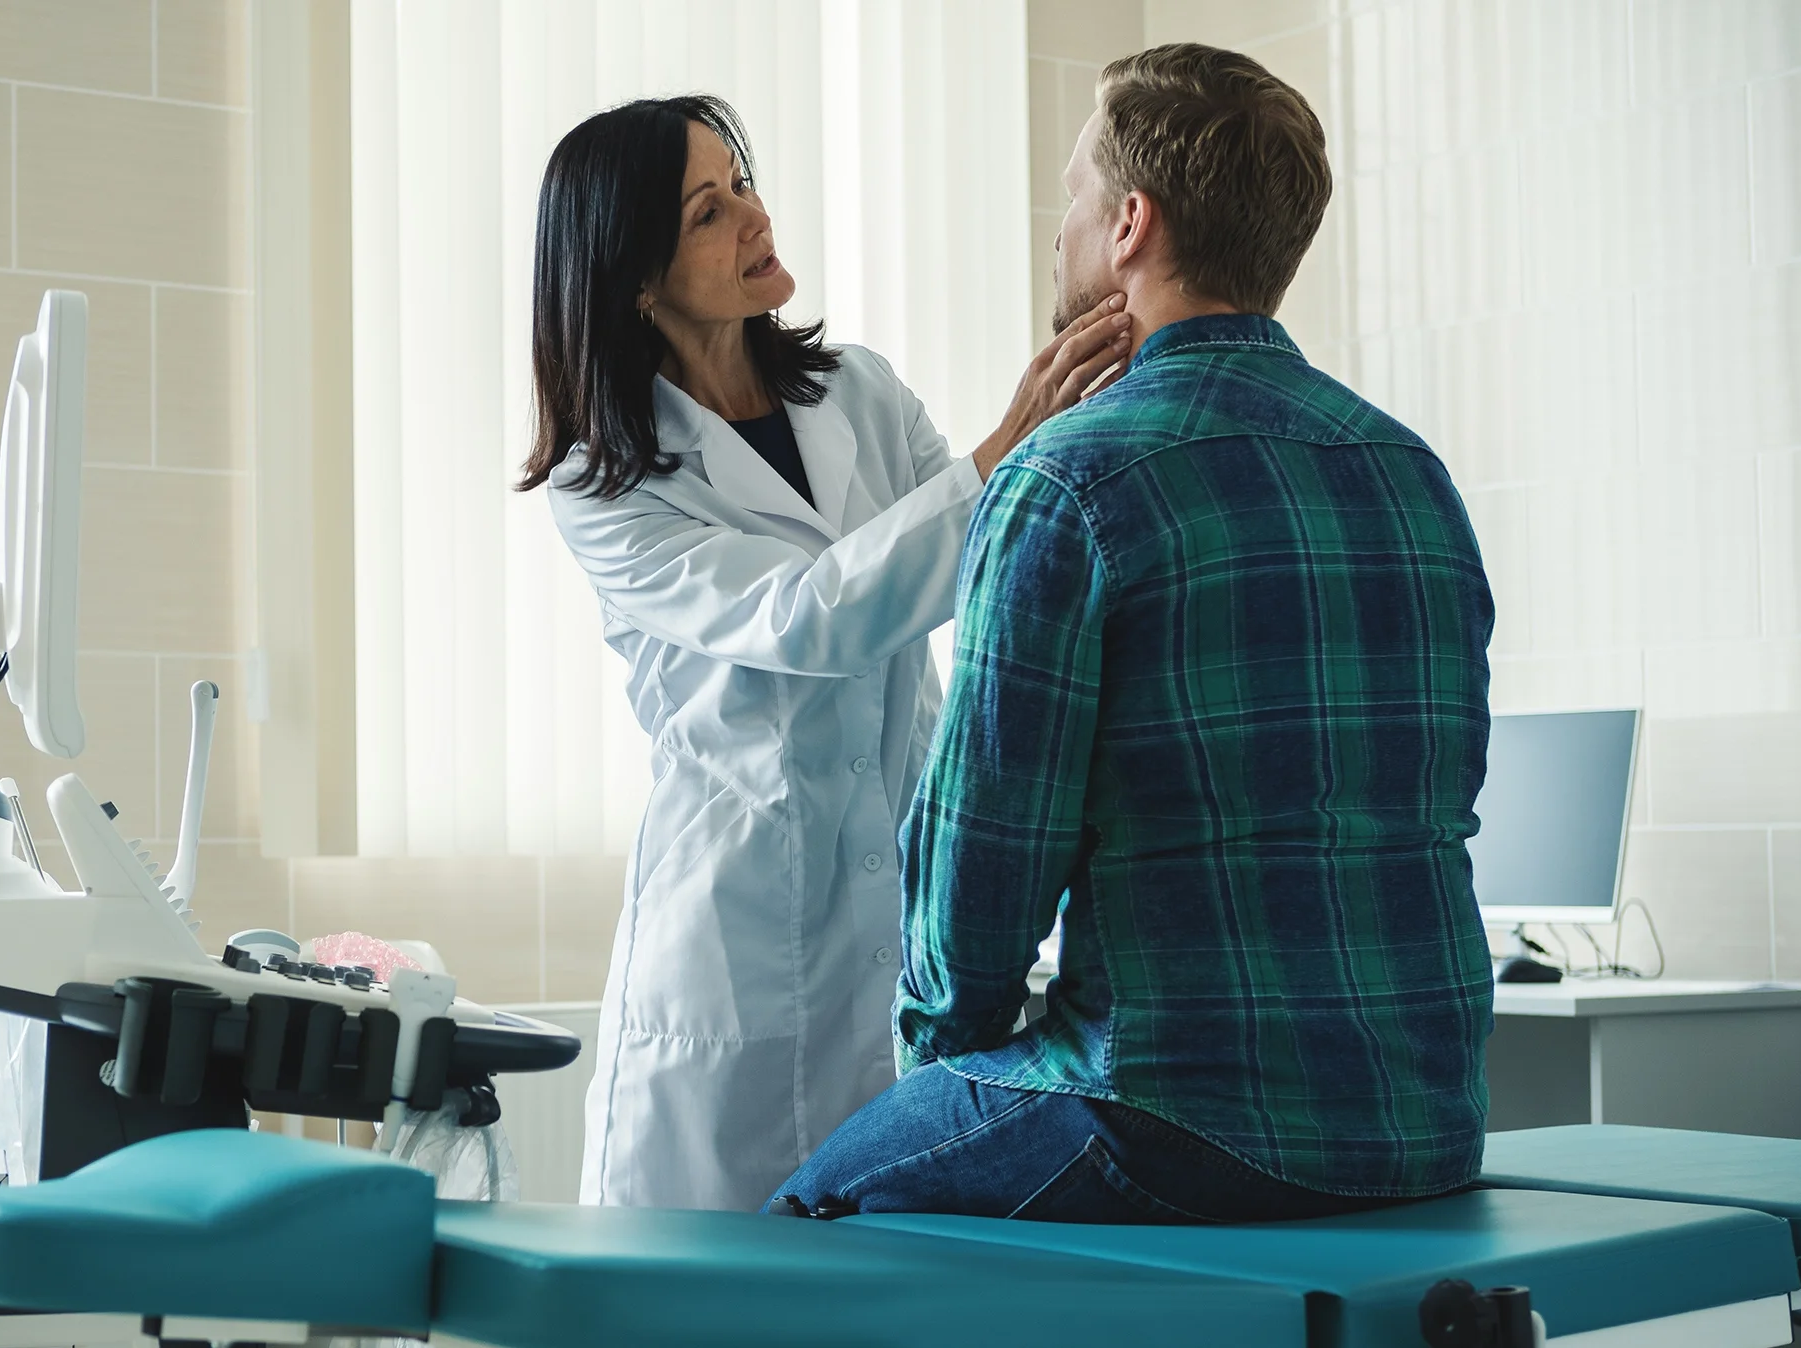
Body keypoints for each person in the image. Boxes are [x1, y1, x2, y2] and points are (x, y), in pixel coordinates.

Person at [770, 43, 1498, 1224]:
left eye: (1073, 194)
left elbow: (981, 877)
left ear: (1129, 224)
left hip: (1174, 1121)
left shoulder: (1067, 480)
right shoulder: (1410, 471)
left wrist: (943, 1070)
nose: (1058, 229)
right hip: (1428, 1124)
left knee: (803, 1221)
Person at [521, 94, 1131, 1211]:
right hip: (733, 947)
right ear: (637, 280)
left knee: (885, 1269)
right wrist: (1007, 446)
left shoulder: (861, 392)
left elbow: (982, 564)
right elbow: (803, 617)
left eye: (742, 183)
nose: (754, 218)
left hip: (895, 909)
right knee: (702, 1280)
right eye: (708, 212)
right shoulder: (606, 484)